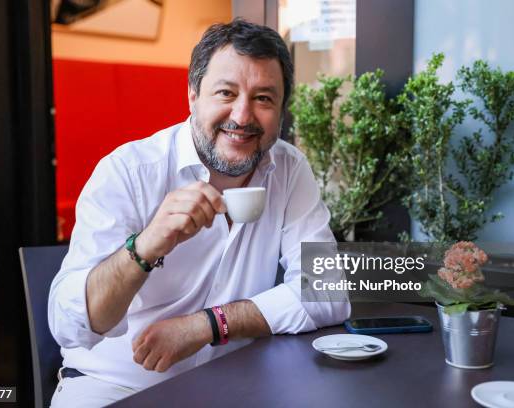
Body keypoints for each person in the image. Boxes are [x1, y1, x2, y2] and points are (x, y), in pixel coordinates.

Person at [48, 18, 350, 407]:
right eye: (226, 93)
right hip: (116, 388)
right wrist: (145, 246)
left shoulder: (290, 170)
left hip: (235, 385)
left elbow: (325, 292)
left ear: (281, 109)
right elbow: (71, 326)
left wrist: (209, 325)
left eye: (263, 98)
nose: (242, 117)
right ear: (192, 95)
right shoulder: (128, 171)